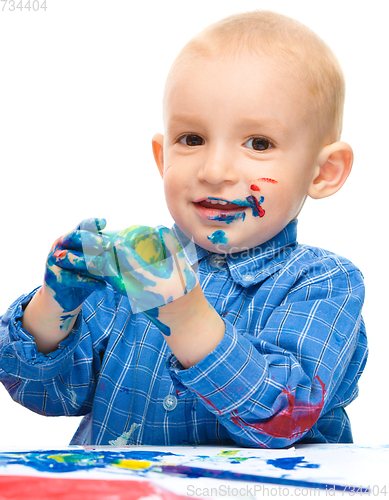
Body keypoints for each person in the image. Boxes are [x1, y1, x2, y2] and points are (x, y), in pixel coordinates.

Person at [0, 10, 368, 448]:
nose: (214, 171)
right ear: (162, 158)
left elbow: (284, 417)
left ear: (323, 171)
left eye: (259, 143)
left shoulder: (324, 282)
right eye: (192, 139)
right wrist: (54, 306)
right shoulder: (134, 265)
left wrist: (185, 315)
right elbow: (47, 394)